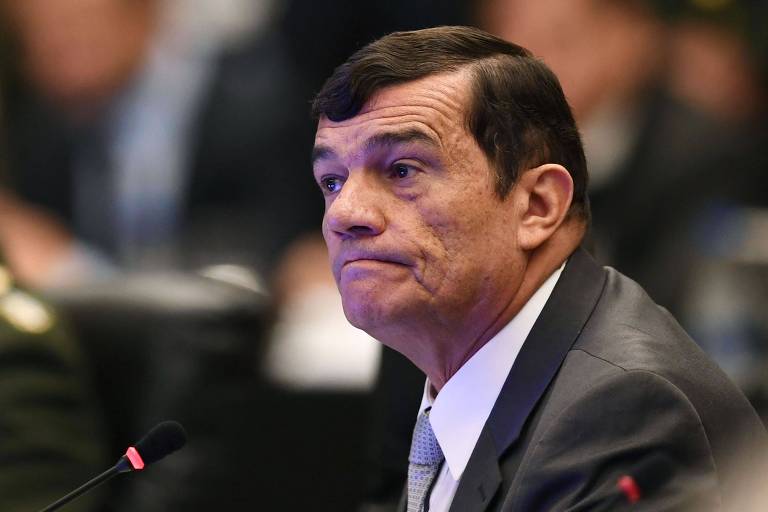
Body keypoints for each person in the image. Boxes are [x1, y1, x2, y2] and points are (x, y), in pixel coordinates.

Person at [310, 26, 768, 511]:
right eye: (332, 181)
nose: (344, 213)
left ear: (538, 205)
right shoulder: (431, 373)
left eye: (403, 170)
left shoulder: (623, 411)